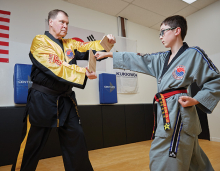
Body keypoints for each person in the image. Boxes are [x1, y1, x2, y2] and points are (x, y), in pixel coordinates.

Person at [95, 15, 220, 171]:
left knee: (163, 158)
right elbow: (139, 59)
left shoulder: (193, 54)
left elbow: (216, 79)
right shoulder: (161, 59)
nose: (160, 36)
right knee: (193, 162)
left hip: (179, 113)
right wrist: (108, 54)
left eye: (163, 31)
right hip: (166, 111)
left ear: (177, 31)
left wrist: (196, 100)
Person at [11, 9, 116, 171]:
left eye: (67, 23)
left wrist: (106, 42)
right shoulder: (40, 41)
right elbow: (55, 66)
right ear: (50, 22)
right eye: (62, 22)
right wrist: (83, 72)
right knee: (31, 145)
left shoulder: (70, 44)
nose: (65, 26)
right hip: (42, 100)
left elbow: (88, 47)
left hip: (66, 100)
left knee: (77, 140)